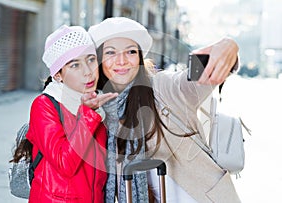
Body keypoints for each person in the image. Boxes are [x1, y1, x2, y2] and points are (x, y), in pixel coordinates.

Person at [88, 17, 240, 203]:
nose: (121, 61)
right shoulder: (96, 110)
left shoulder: (163, 87)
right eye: (110, 52)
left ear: (140, 58)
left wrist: (227, 46)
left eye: (131, 51)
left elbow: (193, 80)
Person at [18, 25, 118, 202]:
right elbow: (65, 164)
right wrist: (88, 115)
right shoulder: (44, 105)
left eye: (91, 60)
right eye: (75, 65)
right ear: (58, 75)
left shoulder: (99, 103)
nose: (88, 71)